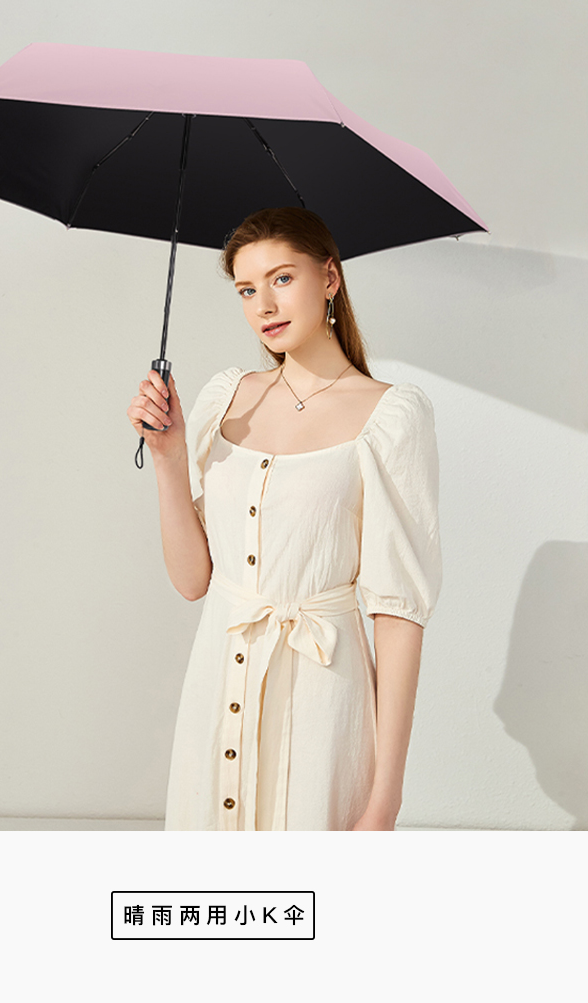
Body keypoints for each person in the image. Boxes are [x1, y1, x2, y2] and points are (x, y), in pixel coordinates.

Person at [126, 207, 442, 831]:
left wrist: (385, 800)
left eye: (282, 278)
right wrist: (167, 456)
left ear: (329, 278)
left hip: (322, 703)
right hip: (216, 689)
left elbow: (398, 614)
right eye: (247, 289)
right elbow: (192, 581)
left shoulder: (390, 417)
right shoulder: (227, 398)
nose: (264, 305)